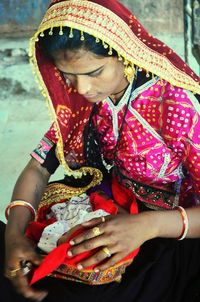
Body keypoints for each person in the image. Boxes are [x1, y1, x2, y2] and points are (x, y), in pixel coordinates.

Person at [1, 0, 200, 301]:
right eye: (68, 75)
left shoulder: (177, 105)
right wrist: (14, 234)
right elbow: (38, 166)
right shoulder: (90, 100)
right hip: (116, 207)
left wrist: (148, 225)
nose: (81, 88)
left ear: (124, 52)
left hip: (175, 231)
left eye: (94, 72)